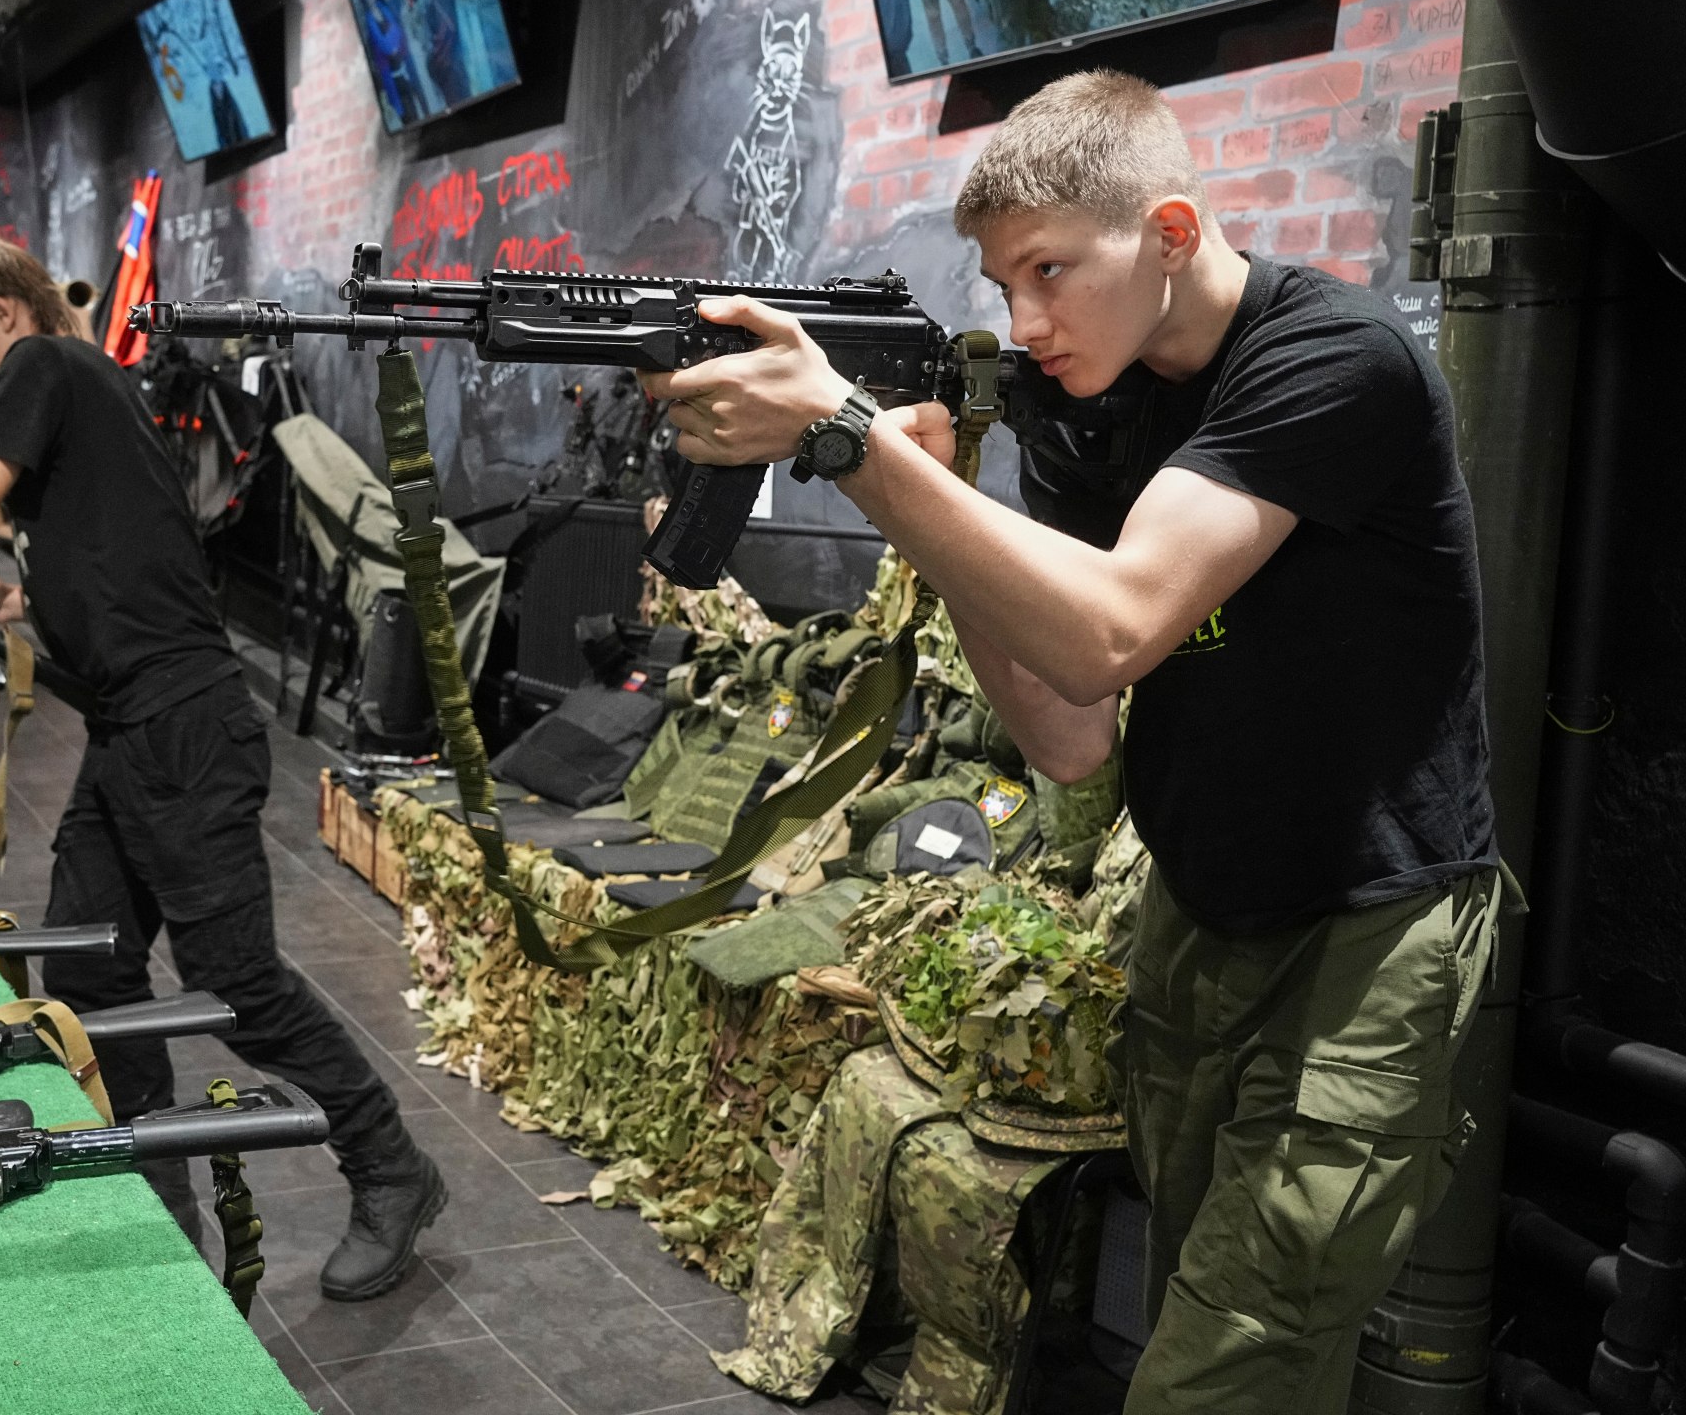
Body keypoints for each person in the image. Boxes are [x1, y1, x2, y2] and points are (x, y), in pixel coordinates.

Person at [640, 71, 1502, 1413]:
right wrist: (916, 498)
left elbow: (1112, 632)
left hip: (1367, 942)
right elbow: (1069, 734)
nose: (1023, 323)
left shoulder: (1333, 363)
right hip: (1201, 917)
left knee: (1218, 1377)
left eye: (1049, 271)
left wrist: (855, 444)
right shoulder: (1086, 406)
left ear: (1167, 232)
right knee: (1217, 1334)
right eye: (1000, 285)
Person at [0, 236, 447, 1302]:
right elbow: (115, 578)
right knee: (93, 973)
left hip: (180, 733)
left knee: (237, 986)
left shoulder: (48, 365)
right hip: (136, 729)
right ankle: (155, 1196)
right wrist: (0, 600)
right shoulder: (89, 390)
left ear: (1, 314)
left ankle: (390, 1165)